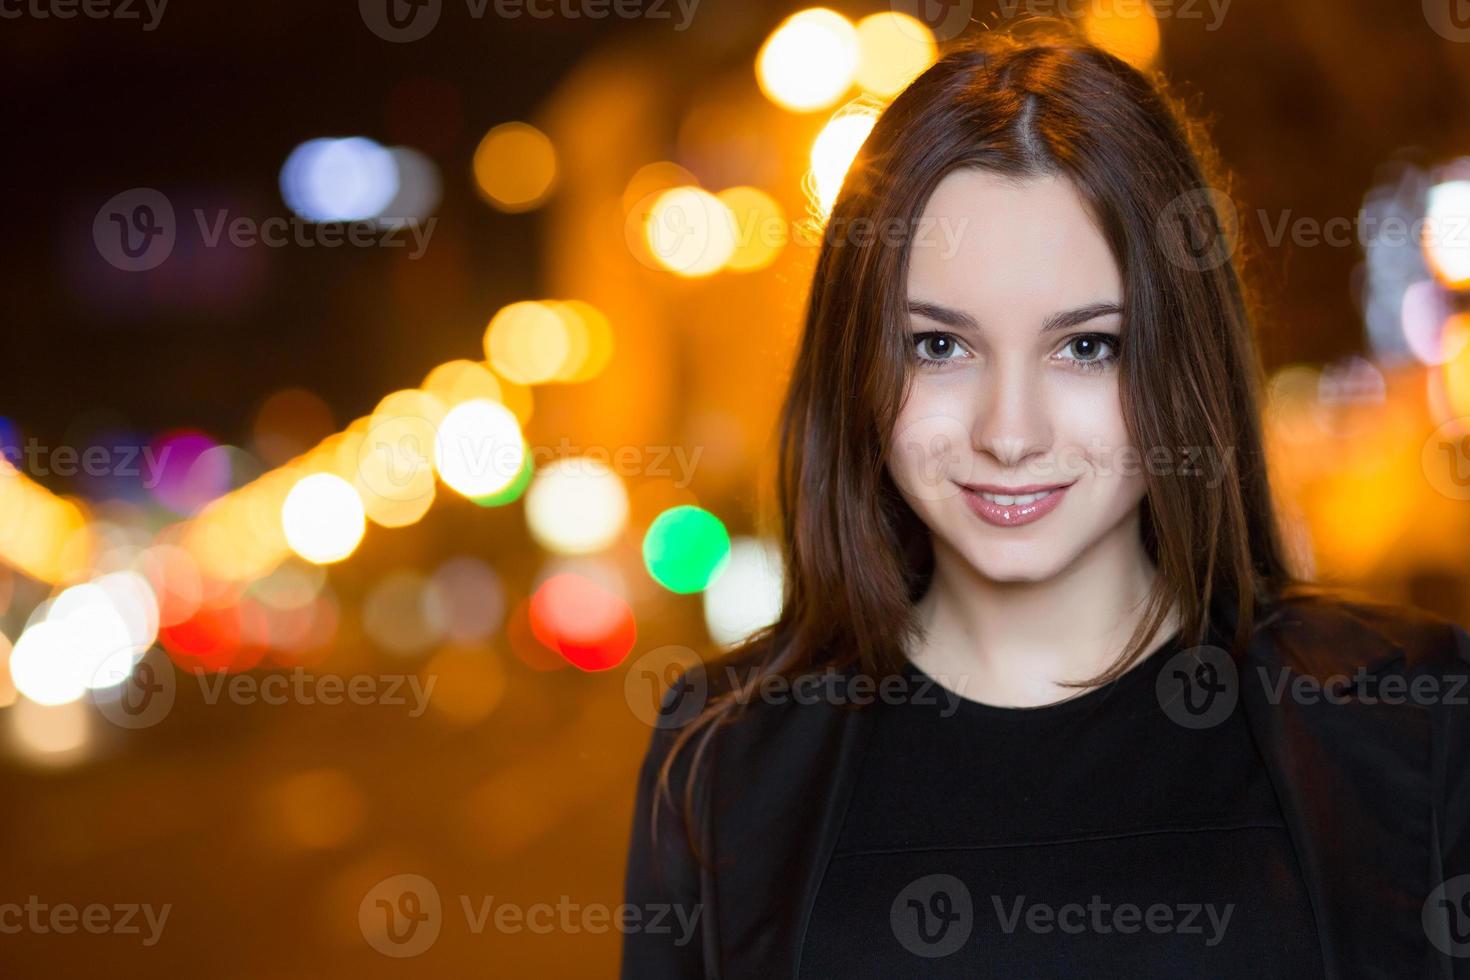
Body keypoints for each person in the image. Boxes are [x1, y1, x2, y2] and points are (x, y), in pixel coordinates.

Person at [621, 20, 1470, 979]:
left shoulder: (1416, 719)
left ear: (1180, 354)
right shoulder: (724, 761)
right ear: (856, 360)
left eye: (1086, 346)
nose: (1009, 433)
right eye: (939, 345)